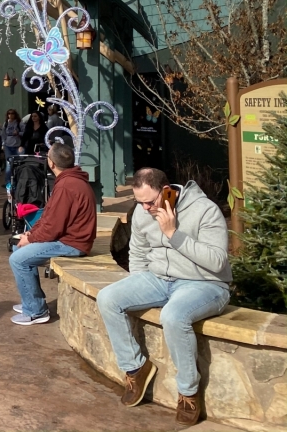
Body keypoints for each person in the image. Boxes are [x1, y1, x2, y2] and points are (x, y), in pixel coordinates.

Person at [96, 168, 231, 427]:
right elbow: (138, 251)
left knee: (173, 316)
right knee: (108, 298)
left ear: (168, 190)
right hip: (159, 279)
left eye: (150, 201)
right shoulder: (142, 211)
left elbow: (217, 262)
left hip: (204, 284)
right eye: (139, 202)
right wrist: (138, 282)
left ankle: (188, 392)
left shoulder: (204, 210)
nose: (145, 208)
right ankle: (136, 368)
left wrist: (173, 234)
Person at [9, 142, 96, 325]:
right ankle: (31, 303)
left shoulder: (66, 185)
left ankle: (36, 311)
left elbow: (53, 226)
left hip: (72, 243)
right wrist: (30, 234)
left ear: (51, 164)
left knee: (17, 259)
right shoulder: (69, 180)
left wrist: (30, 238)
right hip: (69, 238)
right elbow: (49, 217)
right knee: (19, 253)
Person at [2, 108, 22, 179]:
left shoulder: (19, 123)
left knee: (17, 164)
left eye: (12, 113)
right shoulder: (6, 123)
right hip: (8, 145)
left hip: (17, 145)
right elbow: (3, 134)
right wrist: (3, 144)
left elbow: (25, 132)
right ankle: (8, 182)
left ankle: (16, 180)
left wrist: (18, 133)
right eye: (9, 114)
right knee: (9, 163)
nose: (10, 115)